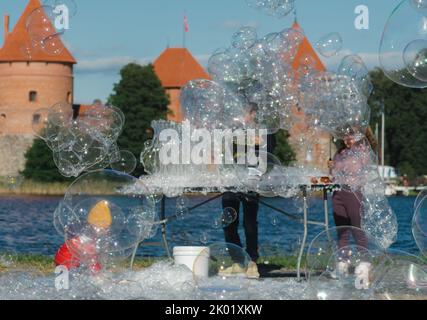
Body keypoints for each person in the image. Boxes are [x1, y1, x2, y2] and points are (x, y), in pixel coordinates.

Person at [221, 103, 276, 279]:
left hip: (252, 180)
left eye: (243, 113)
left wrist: (260, 143)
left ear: (253, 114)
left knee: (250, 223)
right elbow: (225, 156)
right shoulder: (231, 131)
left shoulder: (262, 132)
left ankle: (252, 261)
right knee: (229, 222)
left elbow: (270, 154)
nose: (239, 117)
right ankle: (237, 261)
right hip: (231, 181)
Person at [328, 129, 377, 276]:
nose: (347, 140)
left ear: (358, 137)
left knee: (357, 229)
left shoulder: (363, 151)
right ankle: (343, 263)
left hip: (355, 192)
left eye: (351, 137)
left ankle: (365, 263)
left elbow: (359, 167)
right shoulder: (339, 154)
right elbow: (334, 175)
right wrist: (330, 167)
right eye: (345, 137)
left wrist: (362, 134)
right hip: (338, 193)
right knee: (341, 230)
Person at [54, 200, 113, 274]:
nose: (106, 231)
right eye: (105, 228)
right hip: (66, 259)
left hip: (62, 256)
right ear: (97, 225)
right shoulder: (89, 237)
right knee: (92, 264)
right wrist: (99, 275)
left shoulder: (85, 231)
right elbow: (91, 258)